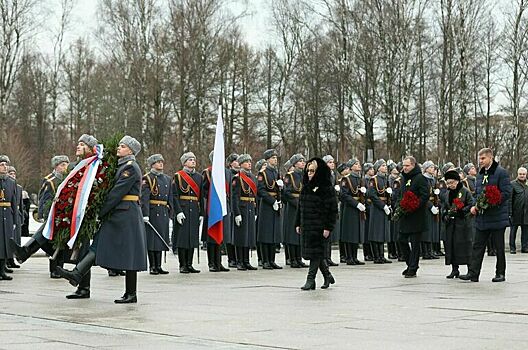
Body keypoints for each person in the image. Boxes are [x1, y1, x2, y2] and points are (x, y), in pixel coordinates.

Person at [57, 136, 147, 303]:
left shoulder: (130, 167)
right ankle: (77, 274)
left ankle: (131, 293)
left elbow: (116, 193)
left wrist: (100, 211)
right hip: (118, 214)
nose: (119, 148)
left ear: (131, 151)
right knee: (98, 244)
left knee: (129, 253)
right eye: (119, 145)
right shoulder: (120, 166)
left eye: (123, 146)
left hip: (126, 214)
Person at [460, 148, 512, 283]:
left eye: (483, 158)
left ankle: (500, 273)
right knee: (477, 246)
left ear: (491, 158)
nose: (480, 161)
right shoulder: (480, 175)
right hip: (482, 217)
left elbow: (506, 192)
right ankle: (473, 273)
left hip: (497, 216)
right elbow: (477, 193)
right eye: (479, 159)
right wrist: (476, 205)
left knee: (498, 247)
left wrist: (493, 200)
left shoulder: (501, 173)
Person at [296, 158, 338, 290]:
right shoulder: (306, 187)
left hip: (320, 226)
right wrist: (298, 223)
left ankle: (310, 280)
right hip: (308, 225)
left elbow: (332, 210)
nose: (309, 173)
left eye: (312, 171)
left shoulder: (326, 188)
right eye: (308, 170)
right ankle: (327, 275)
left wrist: (328, 227)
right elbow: (300, 207)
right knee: (316, 253)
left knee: (316, 253)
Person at [38, 155, 70, 278]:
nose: (65, 167)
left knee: (61, 243)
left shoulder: (67, 178)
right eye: (62, 165)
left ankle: (60, 267)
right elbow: (44, 199)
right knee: (53, 243)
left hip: (64, 215)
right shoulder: (50, 180)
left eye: (66, 164)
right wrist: (44, 215)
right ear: (56, 166)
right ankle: (54, 269)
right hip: (52, 215)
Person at [397, 156, 429, 278]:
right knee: (401, 239)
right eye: (403, 166)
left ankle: (413, 267)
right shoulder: (403, 178)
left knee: (415, 243)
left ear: (413, 165)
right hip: (405, 214)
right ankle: (409, 262)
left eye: (407, 166)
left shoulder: (420, 178)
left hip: (417, 215)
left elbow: (425, 195)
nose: (404, 168)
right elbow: (401, 194)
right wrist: (399, 206)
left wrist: (414, 205)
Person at [141, 154, 172, 275]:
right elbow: (144, 198)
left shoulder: (167, 179)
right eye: (158, 162)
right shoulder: (147, 178)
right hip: (153, 211)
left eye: (162, 161)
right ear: (152, 164)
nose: (161, 164)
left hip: (163, 211)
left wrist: (171, 212)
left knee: (160, 239)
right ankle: (152, 266)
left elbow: (169, 198)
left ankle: (159, 265)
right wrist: (145, 214)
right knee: (152, 239)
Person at [173, 152, 203, 274]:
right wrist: (178, 211)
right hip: (183, 208)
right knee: (182, 238)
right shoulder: (178, 176)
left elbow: (201, 196)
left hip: (194, 209)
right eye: (190, 159)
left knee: (192, 237)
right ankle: (182, 264)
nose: (193, 161)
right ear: (184, 162)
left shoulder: (199, 177)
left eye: (194, 159)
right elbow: (174, 196)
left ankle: (190, 264)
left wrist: (202, 212)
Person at [441, 170, 474, 278]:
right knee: (451, 246)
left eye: (452, 182)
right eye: (448, 183)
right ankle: (454, 269)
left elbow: (471, 204)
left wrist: (462, 211)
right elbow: (444, 207)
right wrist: (445, 214)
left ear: (457, 181)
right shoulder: (447, 193)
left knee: (465, 246)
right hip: (451, 224)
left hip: (463, 223)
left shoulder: (464, 191)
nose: (450, 185)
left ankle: (470, 269)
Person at [257, 149, 283, 270]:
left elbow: (277, 190)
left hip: (275, 204)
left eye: (276, 157)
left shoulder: (276, 172)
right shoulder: (263, 173)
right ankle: (265, 260)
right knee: (265, 234)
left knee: (274, 233)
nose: (275, 159)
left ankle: (272, 260)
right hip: (267, 205)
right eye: (273, 158)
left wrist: (279, 199)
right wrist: (272, 201)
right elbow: (261, 190)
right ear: (267, 160)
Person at [232, 154, 258, 270]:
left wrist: (255, 210)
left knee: (248, 235)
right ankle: (240, 261)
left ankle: (246, 261)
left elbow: (254, 195)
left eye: (250, 161)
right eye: (246, 162)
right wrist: (236, 213)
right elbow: (235, 197)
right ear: (241, 164)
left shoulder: (252, 177)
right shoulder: (237, 178)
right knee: (241, 236)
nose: (249, 163)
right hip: (242, 208)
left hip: (250, 208)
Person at [339, 158, 366, 265]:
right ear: (351, 167)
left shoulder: (360, 179)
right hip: (350, 208)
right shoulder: (346, 179)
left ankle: (354, 257)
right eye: (356, 164)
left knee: (356, 233)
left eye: (358, 163)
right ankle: (349, 257)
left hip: (358, 208)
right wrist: (357, 204)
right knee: (350, 233)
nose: (358, 165)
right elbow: (344, 195)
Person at [282, 154, 306, 268]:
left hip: (302, 205)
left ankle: (299, 258)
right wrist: (297, 203)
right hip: (293, 207)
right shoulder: (289, 176)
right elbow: (286, 192)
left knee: (300, 233)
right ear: (295, 163)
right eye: (300, 161)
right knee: (292, 234)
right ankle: (292, 259)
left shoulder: (304, 176)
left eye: (303, 161)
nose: (302, 163)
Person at [367, 159, 392, 264]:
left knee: (382, 232)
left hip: (384, 206)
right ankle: (376, 256)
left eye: (385, 165)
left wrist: (388, 204)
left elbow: (387, 194)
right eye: (382, 165)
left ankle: (382, 255)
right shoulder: (374, 180)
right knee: (376, 232)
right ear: (378, 168)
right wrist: (383, 206)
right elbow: (372, 195)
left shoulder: (385, 180)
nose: (385, 167)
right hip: (377, 208)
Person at [0, 155, 18, 281]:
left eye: (6, 164)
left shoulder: (11, 182)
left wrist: (15, 220)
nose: (4, 166)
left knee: (6, 244)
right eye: (2, 164)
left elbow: (14, 202)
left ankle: (2, 270)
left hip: (7, 215)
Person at [6, 166, 23, 269]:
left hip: (16, 214)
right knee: (9, 239)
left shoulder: (18, 187)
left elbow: (20, 203)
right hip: (9, 213)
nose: (12, 176)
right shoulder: (7, 185)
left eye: (14, 174)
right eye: (10, 174)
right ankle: (8, 259)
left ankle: (13, 258)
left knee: (16, 239)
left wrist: (21, 215)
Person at [509, 167, 528, 254]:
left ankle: (525, 247)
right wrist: (510, 213)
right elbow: (510, 200)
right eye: (520, 174)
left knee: (525, 231)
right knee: (513, 231)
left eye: (523, 174)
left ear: (526, 174)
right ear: (517, 174)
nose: (522, 176)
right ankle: (512, 248)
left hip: (526, 212)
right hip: (516, 212)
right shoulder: (513, 184)